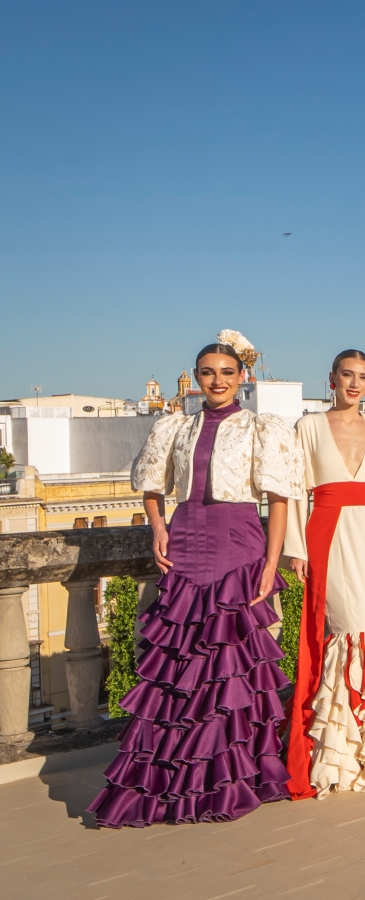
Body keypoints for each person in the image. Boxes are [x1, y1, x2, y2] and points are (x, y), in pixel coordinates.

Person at [91, 338, 300, 827]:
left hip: (239, 543)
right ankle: (172, 783)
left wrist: (271, 563)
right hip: (186, 542)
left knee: (230, 663)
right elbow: (151, 484)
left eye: (227, 372)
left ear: (242, 377)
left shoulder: (262, 428)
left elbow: (279, 498)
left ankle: (232, 779)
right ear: (196, 376)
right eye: (208, 372)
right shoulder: (176, 426)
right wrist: (158, 528)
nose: (218, 380)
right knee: (181, 661)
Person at [283, 349, 365, 798]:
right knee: (343, 630)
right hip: (328, 533)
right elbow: (296, 490)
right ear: (331, 378)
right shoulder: (308, 426)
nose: (354, 384)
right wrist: (295, 548)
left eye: (362, 377)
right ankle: (332, 755)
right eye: (346, 375)